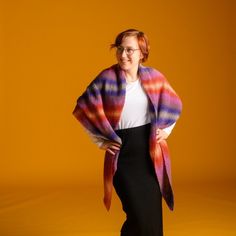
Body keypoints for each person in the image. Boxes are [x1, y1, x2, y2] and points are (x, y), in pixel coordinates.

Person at [72, 29, 182, 236]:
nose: (123, 55)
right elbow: (84, 107)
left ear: (142, 52)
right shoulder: (107, 78)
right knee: (137, 215)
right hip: (123, 157)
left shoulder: (154, 78)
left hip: (150, 158)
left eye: (129, 50)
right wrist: (100, 141)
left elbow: (174, 105)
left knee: (151, 220)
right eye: (120, 49)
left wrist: (166, 130)